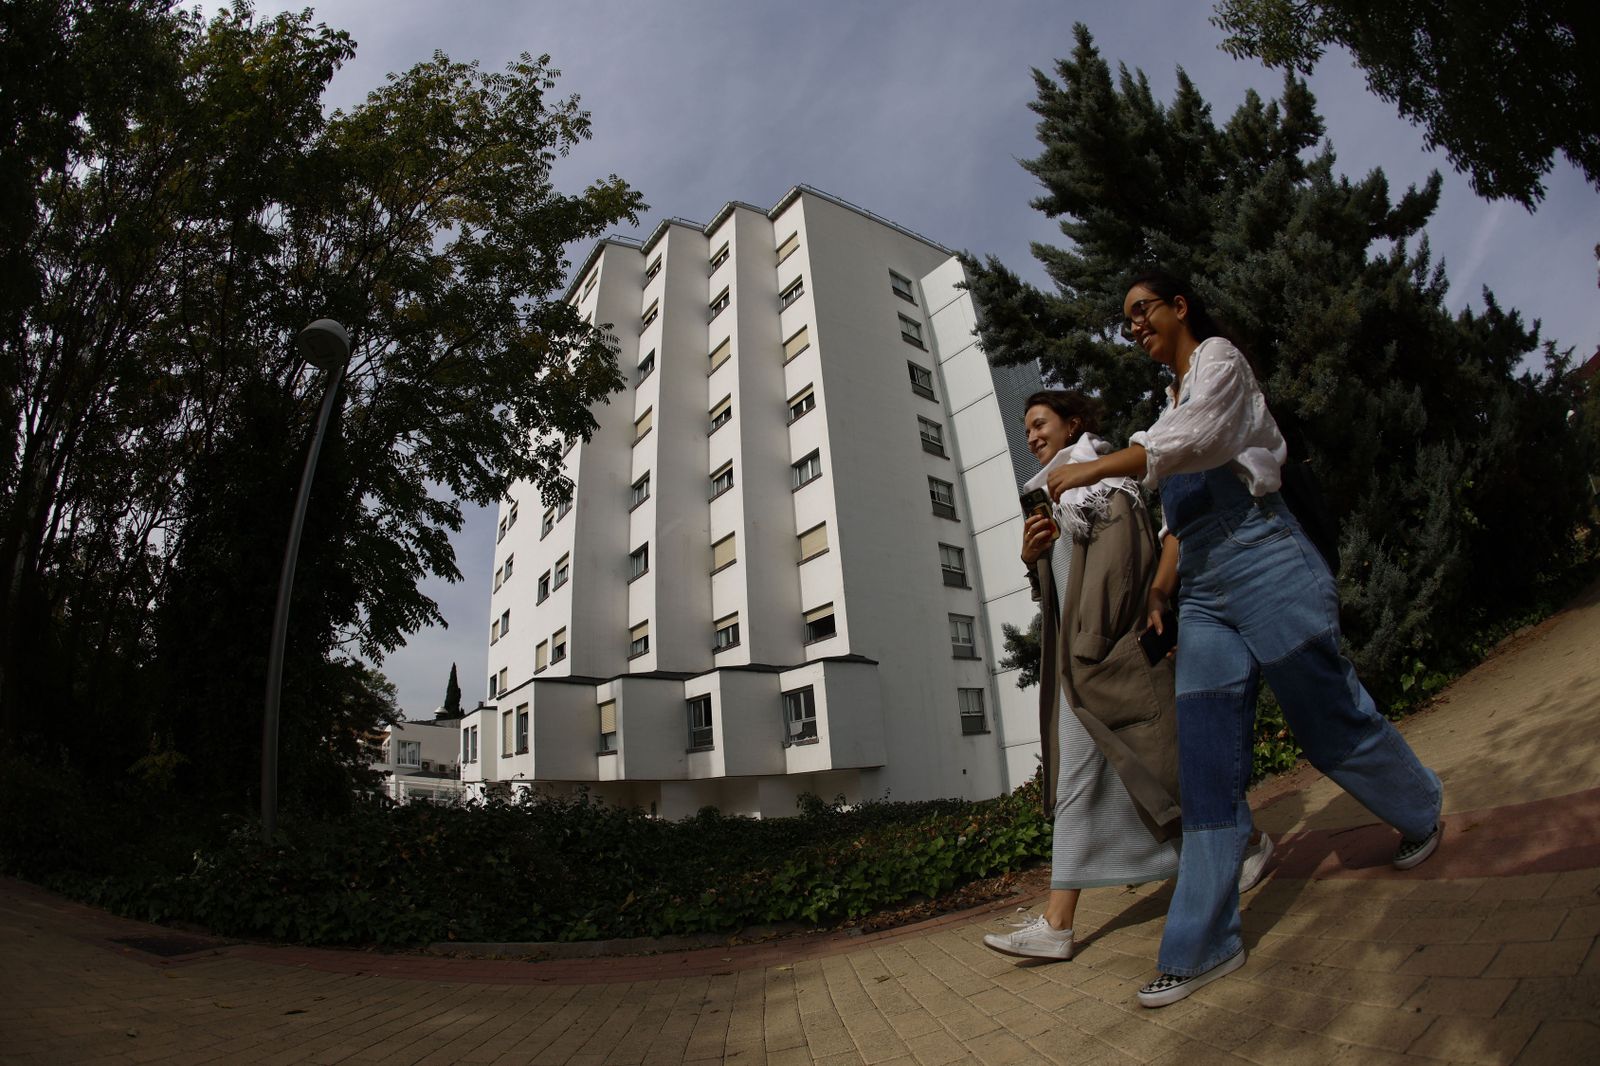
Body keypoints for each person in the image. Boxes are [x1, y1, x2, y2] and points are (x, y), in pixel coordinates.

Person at [1041, 270, 1443, 1007]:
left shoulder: (1220, 362)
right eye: (1126, 319)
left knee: (1325, 716)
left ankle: (1419, 809)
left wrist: (1098, 464)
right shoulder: (1166, 402)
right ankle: (1202, 945)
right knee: (1205, 764)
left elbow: (1193, 441)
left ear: (1179, 307)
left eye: (1142, 310)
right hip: (1203, 593)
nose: (1134, 325)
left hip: (1266, 562)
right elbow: (1177, 518)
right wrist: (1161, 588)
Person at [986, 391, 1216, 962]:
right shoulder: (1059, 498)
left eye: (1040, 424)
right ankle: (1058, 923)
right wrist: (1032, 560)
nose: (1031, 437)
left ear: (1073, 426)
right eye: (1027, 429)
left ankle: (1241, 843)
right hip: (1082, 668)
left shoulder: (1104, 487)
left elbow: (1121, 571)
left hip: (1104, 663)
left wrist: (1087, 649)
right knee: (1097, 782)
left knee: (1144, 772)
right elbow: (1060, 592)